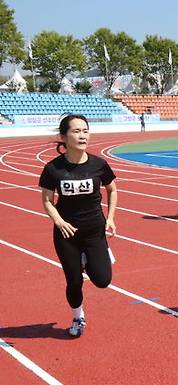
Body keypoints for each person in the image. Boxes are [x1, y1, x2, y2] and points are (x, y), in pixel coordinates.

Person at [38, 115, 118, 337]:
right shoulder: (53, 169)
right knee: (73, 281)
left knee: (102, 280)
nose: (82, 135)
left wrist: (110, 218)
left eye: (85, 130)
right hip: (67, 234)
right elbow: (46, 200)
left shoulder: (99, 164)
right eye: (76, 131)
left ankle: (89, 259)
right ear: (64, 137)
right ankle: (78, 316)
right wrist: (59, 221)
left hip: (94, 231)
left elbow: (112, 190)